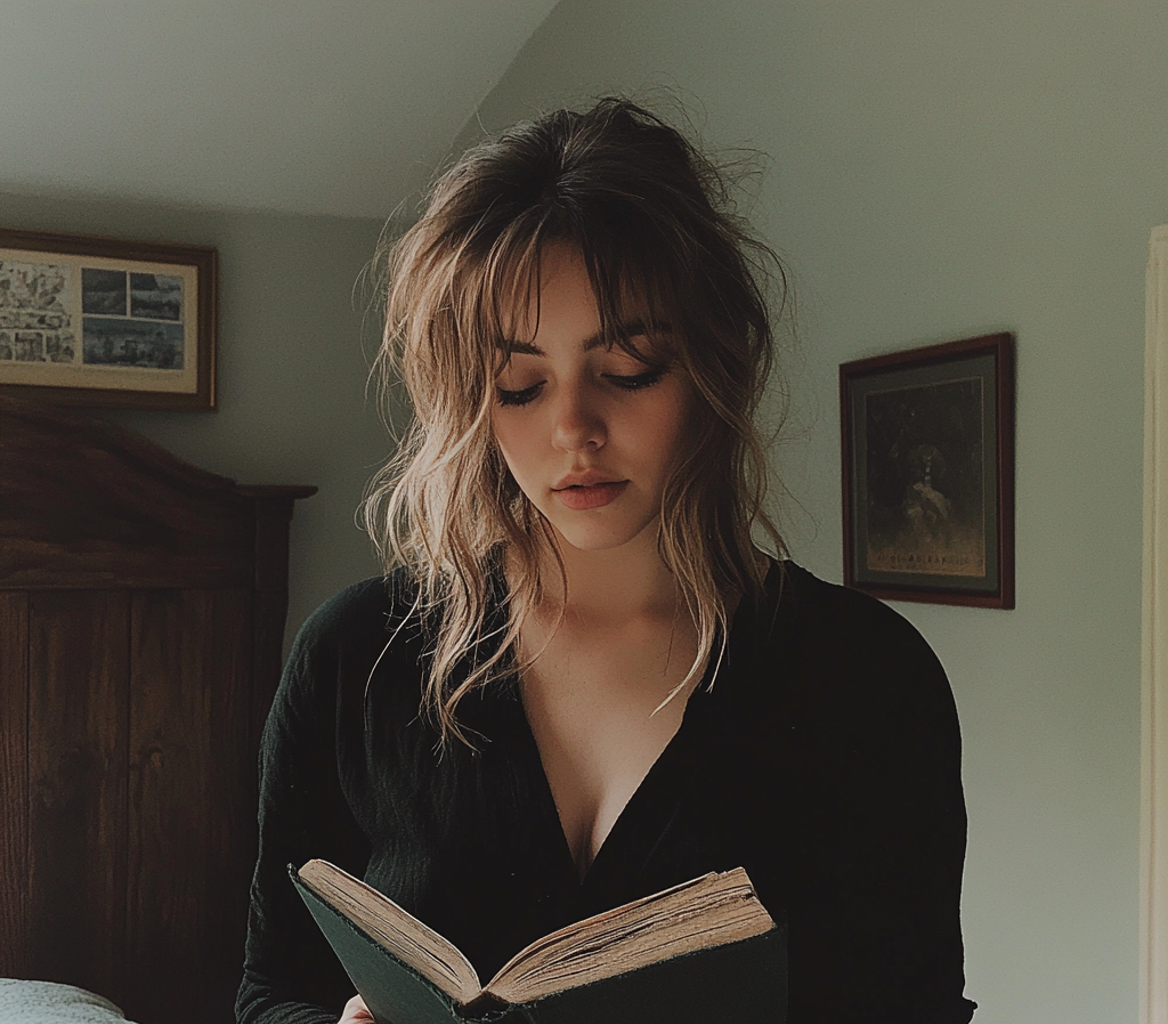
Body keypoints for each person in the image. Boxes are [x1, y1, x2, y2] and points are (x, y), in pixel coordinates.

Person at [235, 98, 976, 1024]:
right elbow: (272, 993)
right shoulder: (355, 659)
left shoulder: (867, 678)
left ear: (714, 367)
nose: (572, 430)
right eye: (520, 384)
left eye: (627, 370)